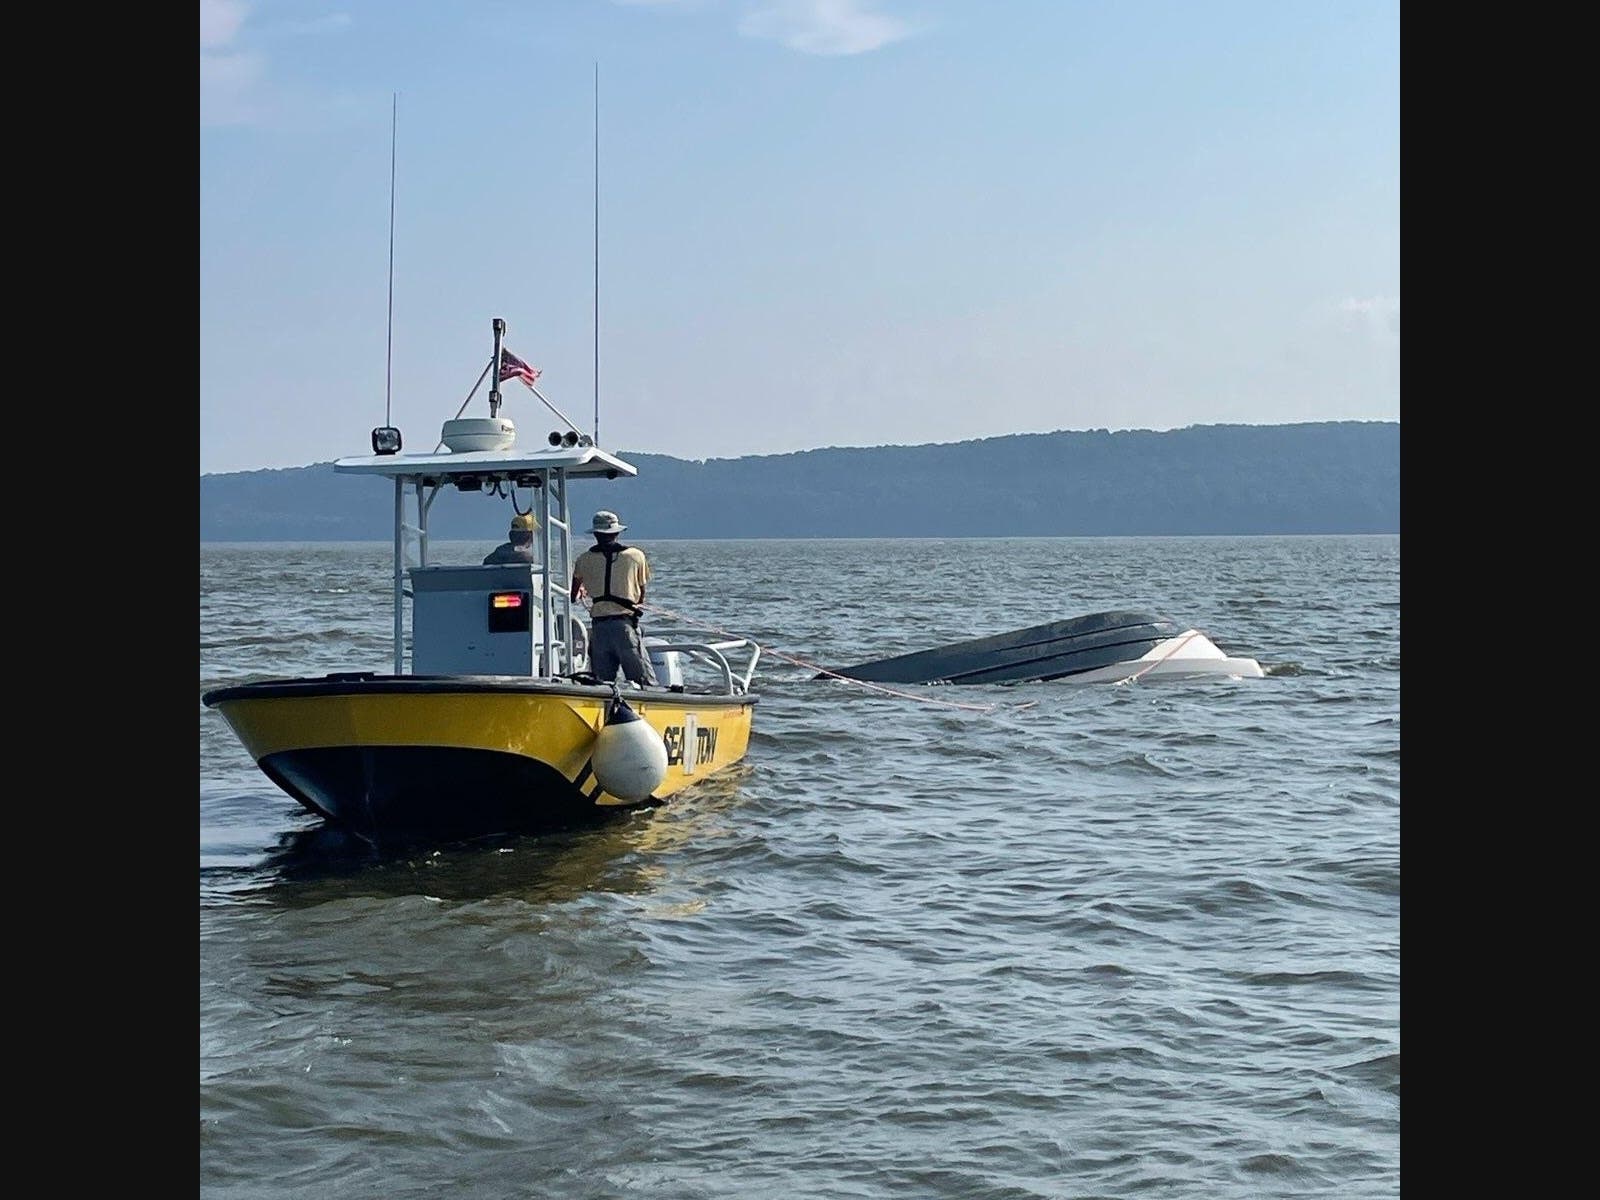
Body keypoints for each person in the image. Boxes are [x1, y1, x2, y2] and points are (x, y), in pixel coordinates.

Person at [570, 509, 658, 686]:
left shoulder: (583, 559)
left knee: (601, 684)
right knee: (642, 682)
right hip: (624, 627)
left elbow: (574, 595)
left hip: (599, 629)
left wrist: (585, 592)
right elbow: (641, 595)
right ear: (617, 532)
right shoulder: (635, 556)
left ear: (595, 534)